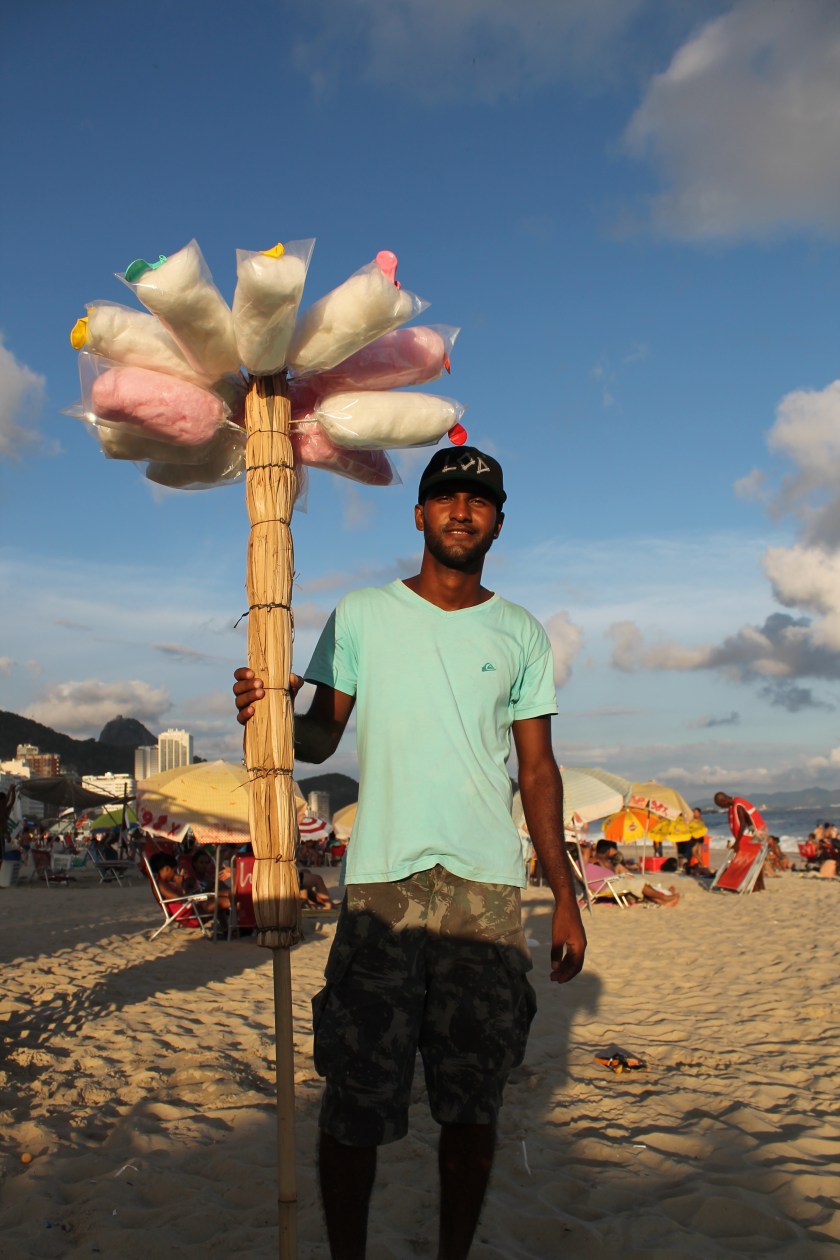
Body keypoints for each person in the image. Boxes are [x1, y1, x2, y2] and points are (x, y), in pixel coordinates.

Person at [234, 445, 586, 1260]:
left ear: (498, 520)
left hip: (487, 890)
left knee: (473, 1103)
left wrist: (564, 892)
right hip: (383, 888)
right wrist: (269, 707)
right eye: (446, 496)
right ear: (419, 513)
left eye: (480, 500)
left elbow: (537, 770)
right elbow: (321, 737)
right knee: (356, 1100)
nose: (463, 510)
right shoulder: (361, 614)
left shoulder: (522, 632)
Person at [585, 839, 680, 906]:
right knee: (638, 883)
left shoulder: (596, 861)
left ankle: (662, 897)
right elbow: (607, 872)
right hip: (608, 885)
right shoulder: (598, 861)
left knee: (634, 880)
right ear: (608, 850)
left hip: (610, 883)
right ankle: (663, 897)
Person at [714, 791, 768, 892]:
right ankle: (759, 885)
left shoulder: (738, 806)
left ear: (724, 800)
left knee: (752, 859)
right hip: (755, 832)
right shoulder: (735, 803)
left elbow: (743, 824)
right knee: (756, 859)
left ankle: (756, 885)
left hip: (758, 832)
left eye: (721, 805)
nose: (721, 807)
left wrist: (737, 842)